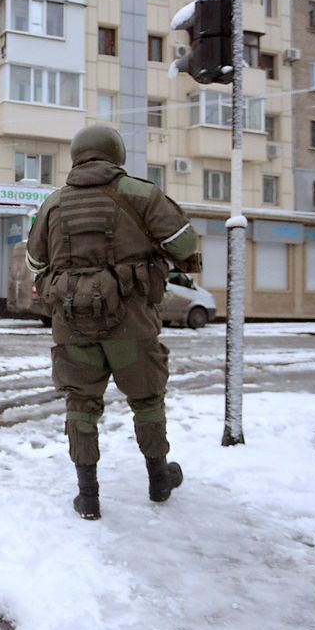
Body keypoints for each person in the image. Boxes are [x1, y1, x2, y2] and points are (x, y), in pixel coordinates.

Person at [26, 124, 199, 521]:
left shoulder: (54, 204)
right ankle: (159, 479)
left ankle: (88, 497)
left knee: (81, 405)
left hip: (72, 325)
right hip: (132, 325)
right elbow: (186, 249)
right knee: (147, 400)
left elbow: (36, 262)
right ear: (116, 154)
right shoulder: (141, 193)